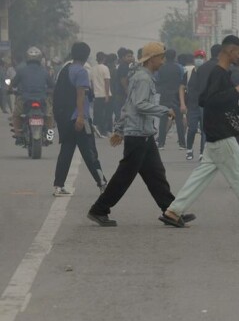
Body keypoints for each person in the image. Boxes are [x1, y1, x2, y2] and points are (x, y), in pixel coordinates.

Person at [161, 35, 239, 229]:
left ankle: (174, 211)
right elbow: (213, 100)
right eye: (238, 52)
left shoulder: (218, 72)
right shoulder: (220, 73)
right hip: (221, 134)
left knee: (201, 175)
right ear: (230, 51)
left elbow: (204, 100)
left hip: (215, 130)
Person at [87, 42, 194, 227]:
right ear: (151, 59)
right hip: (138, 135)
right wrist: (164, 110)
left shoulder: (141, 76)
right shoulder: (143, 78)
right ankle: (99, 209)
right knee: (124, 176)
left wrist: (120, 129)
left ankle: (171, 211)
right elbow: (139, 105)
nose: (162, 61)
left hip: (143, 133)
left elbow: (128, 104)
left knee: (156, 175)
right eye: (160, 58)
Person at [52, 42, 108, 197]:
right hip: (79, 118)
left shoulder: (65, 70)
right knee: (90, 152)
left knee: (66, 151)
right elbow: (81, 96)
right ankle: (102, 183)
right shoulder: (81, 72)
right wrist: (81, 117)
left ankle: (58, 185)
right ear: (86, 55)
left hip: (65, 118)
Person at [10, 46, 55, 139]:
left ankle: (18, 134)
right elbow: (52, 85)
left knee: (16, 115)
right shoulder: (45, 71)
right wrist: (50, 92)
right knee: (49, 116)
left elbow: (13, 84)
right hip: (42, 99)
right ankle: (49, 136)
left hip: (25, 99)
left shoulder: (21, 70)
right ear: (39, 58)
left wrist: (10, 90)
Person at [184, 46, 218, 161]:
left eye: (201, 57)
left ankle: (202, 152)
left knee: (204, 129)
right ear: (194, 59)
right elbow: (182, 86)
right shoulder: (189, 72)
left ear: (204, 58)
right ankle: (189, 149)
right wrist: (183, 104)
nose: (199, 59)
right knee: (192, 128)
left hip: (204, 104)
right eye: (197, 57)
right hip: (192, 104)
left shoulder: (207, 70)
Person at [156, 48, 185, 150]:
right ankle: (182, 144)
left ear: (164, 56)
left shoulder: (161, 68)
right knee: (179, 121)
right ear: (175, 56)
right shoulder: (179, 67)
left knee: (163, 120)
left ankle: (161, 144)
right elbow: (182, 80)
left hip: (164, 96)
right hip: (176, 96)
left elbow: (157, 80)